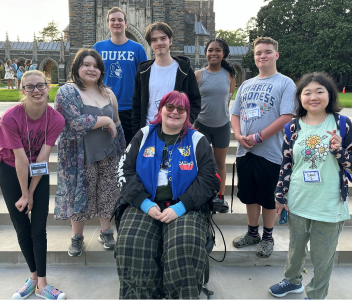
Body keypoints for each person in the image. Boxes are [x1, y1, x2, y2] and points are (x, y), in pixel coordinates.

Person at [116, 91, 220, 299]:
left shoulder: (198, 141)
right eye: (170, 107)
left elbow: (210, 179)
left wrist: (181, 207)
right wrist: (144, 203)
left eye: (181, 109)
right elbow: (124, 170)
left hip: (185, 206)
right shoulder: (143, 135)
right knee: (132, 242)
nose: (174, 112)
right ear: (161, 110)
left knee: (184, 245)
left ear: (187, 114)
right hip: (146, 203)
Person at [269, 72, 352, 299]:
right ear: (300, 98)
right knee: (295, 249)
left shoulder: (342, 124)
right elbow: (286, 163)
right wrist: (280, 196)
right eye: (307, 92)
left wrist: (339, 150)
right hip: (299, 199)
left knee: (323, 256)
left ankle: (316, 293)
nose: (313, 97)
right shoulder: (292, 127)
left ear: (330, 95)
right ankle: (292, 281)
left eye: (320, 91)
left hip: (329, 203)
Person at [0, 70, 66, 300]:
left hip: (38, 174)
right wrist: (24, 194)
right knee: (22, 226)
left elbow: (41, 159)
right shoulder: (11, 118)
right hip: (12, 170)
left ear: (48, 87)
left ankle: (43, 285)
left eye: (41, 85)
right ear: (22, 91)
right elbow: (21, 160)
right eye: (30, 87)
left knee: (38, 228)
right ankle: (33, 278)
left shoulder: (56, 119)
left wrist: (31, 193)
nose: (36, 90)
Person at [54, 48, 126, 257]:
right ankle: (77, 237)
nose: (91, 69)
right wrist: (104, 120)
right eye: (86, 65)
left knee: (108, 192)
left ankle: (106, 231)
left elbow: (118, 122)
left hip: (109, 153)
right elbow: (71, 122)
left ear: (101, 71)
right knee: (80, 195)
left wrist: (123, 151)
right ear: (77, 67)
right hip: (80, 155)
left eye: (95, 66)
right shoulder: (67, 91)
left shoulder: (107, 92)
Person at [230, 36, 295, 258]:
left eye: (267, 52)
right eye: (258, 53)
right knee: (249, 195)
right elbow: (235, 113)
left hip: (270, 152)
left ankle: (267, 236)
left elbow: (287, 116)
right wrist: (238, 134)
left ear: (276, 55)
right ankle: (252, 233)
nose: (262, 56)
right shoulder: (246, 84)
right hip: (245, 150)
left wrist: (258, 137)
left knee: (268, 197)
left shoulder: (285, 83)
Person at [132, 22, 201, 137]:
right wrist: (136, 136)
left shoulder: (184, 70)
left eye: (163, 38)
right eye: (154, 40)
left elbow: (195, 102)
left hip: (177, 133)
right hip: (149, 132)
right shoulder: (143, 72)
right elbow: (136, 107)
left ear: (170, 40)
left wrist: (184, 123)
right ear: (150, 44)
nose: (159, 43)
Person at [93, 7, 147, 145]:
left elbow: (145, 78)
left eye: (120, 20)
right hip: (104, 107)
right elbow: (91, 76)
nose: (116, 23)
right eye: (112, 20)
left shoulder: (137, 48)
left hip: (130, 108)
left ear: (126, 24)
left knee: (130, 149)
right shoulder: (98, 47)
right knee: (106, 149)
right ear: (108, 23)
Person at [194, 38, 236, 213]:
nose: (213, 53)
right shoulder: (198, 75)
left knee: (220, 163)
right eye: (210, 50)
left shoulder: (229, 75)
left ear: (224, 53)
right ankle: (199, 195)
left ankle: (219, 198)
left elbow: (228, 99)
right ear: (206, 53)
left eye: (217, 50)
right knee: (199, 163)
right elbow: (193, 101)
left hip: (221, 126)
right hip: (201, 125)